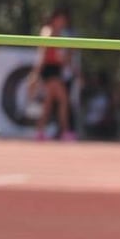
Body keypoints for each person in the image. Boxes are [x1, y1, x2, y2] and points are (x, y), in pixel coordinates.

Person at [29, 8, 75, 141]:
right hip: (48, 70)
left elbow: (64, 58)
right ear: (54, 19)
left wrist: (69, 59)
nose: (62, 22)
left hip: (57, 69)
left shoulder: (63, 34)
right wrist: (36, 74)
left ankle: (40, 132)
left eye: (64, 20)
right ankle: (65, 131)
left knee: (49, 103)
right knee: (62, 99)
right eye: (60, 19)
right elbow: (42, 53)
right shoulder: (47, 31)